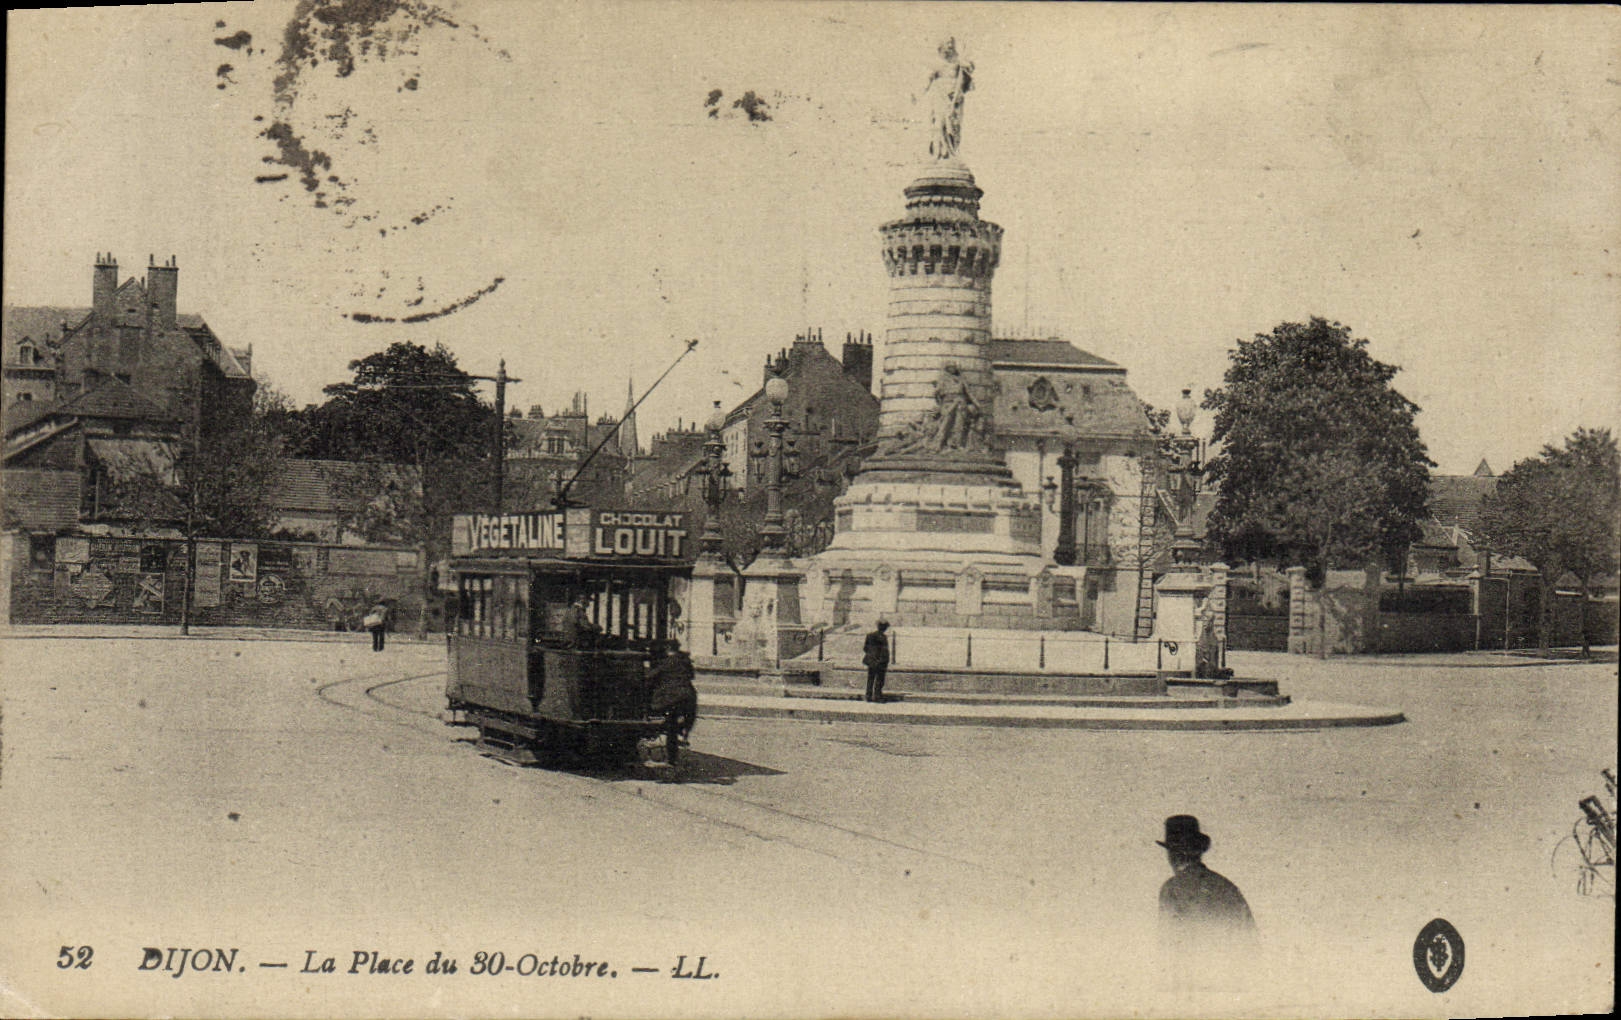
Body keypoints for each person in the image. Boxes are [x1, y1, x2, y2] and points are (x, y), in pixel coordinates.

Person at [1156, 815, 1257, 968]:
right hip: (1230, 979)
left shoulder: (1172, 888)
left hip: (1190, 982)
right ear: (1198, 851)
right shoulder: (1226, 887)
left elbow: (1168, 948)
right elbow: (1251, 944)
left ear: (1172, 855)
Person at [649, 640, 699, 762]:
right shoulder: (685, 660)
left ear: (667, 649)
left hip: (671, 698)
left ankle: (671, 755)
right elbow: (692, 676)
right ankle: (683, 731)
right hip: (688, 696)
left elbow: (651, 676)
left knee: (669, 724)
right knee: (681, 721)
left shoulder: (666, 662)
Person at [863, 619, 891, 703]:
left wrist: (871, 655)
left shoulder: (869, 635)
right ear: (884, 628)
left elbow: (865, 648)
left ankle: (868, 696)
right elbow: (884, 651)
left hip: (871, 661)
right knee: (879, 679)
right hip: (880, 661)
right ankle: (877, 696)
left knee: (870, 678)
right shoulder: (883, 637)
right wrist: (884, 660)